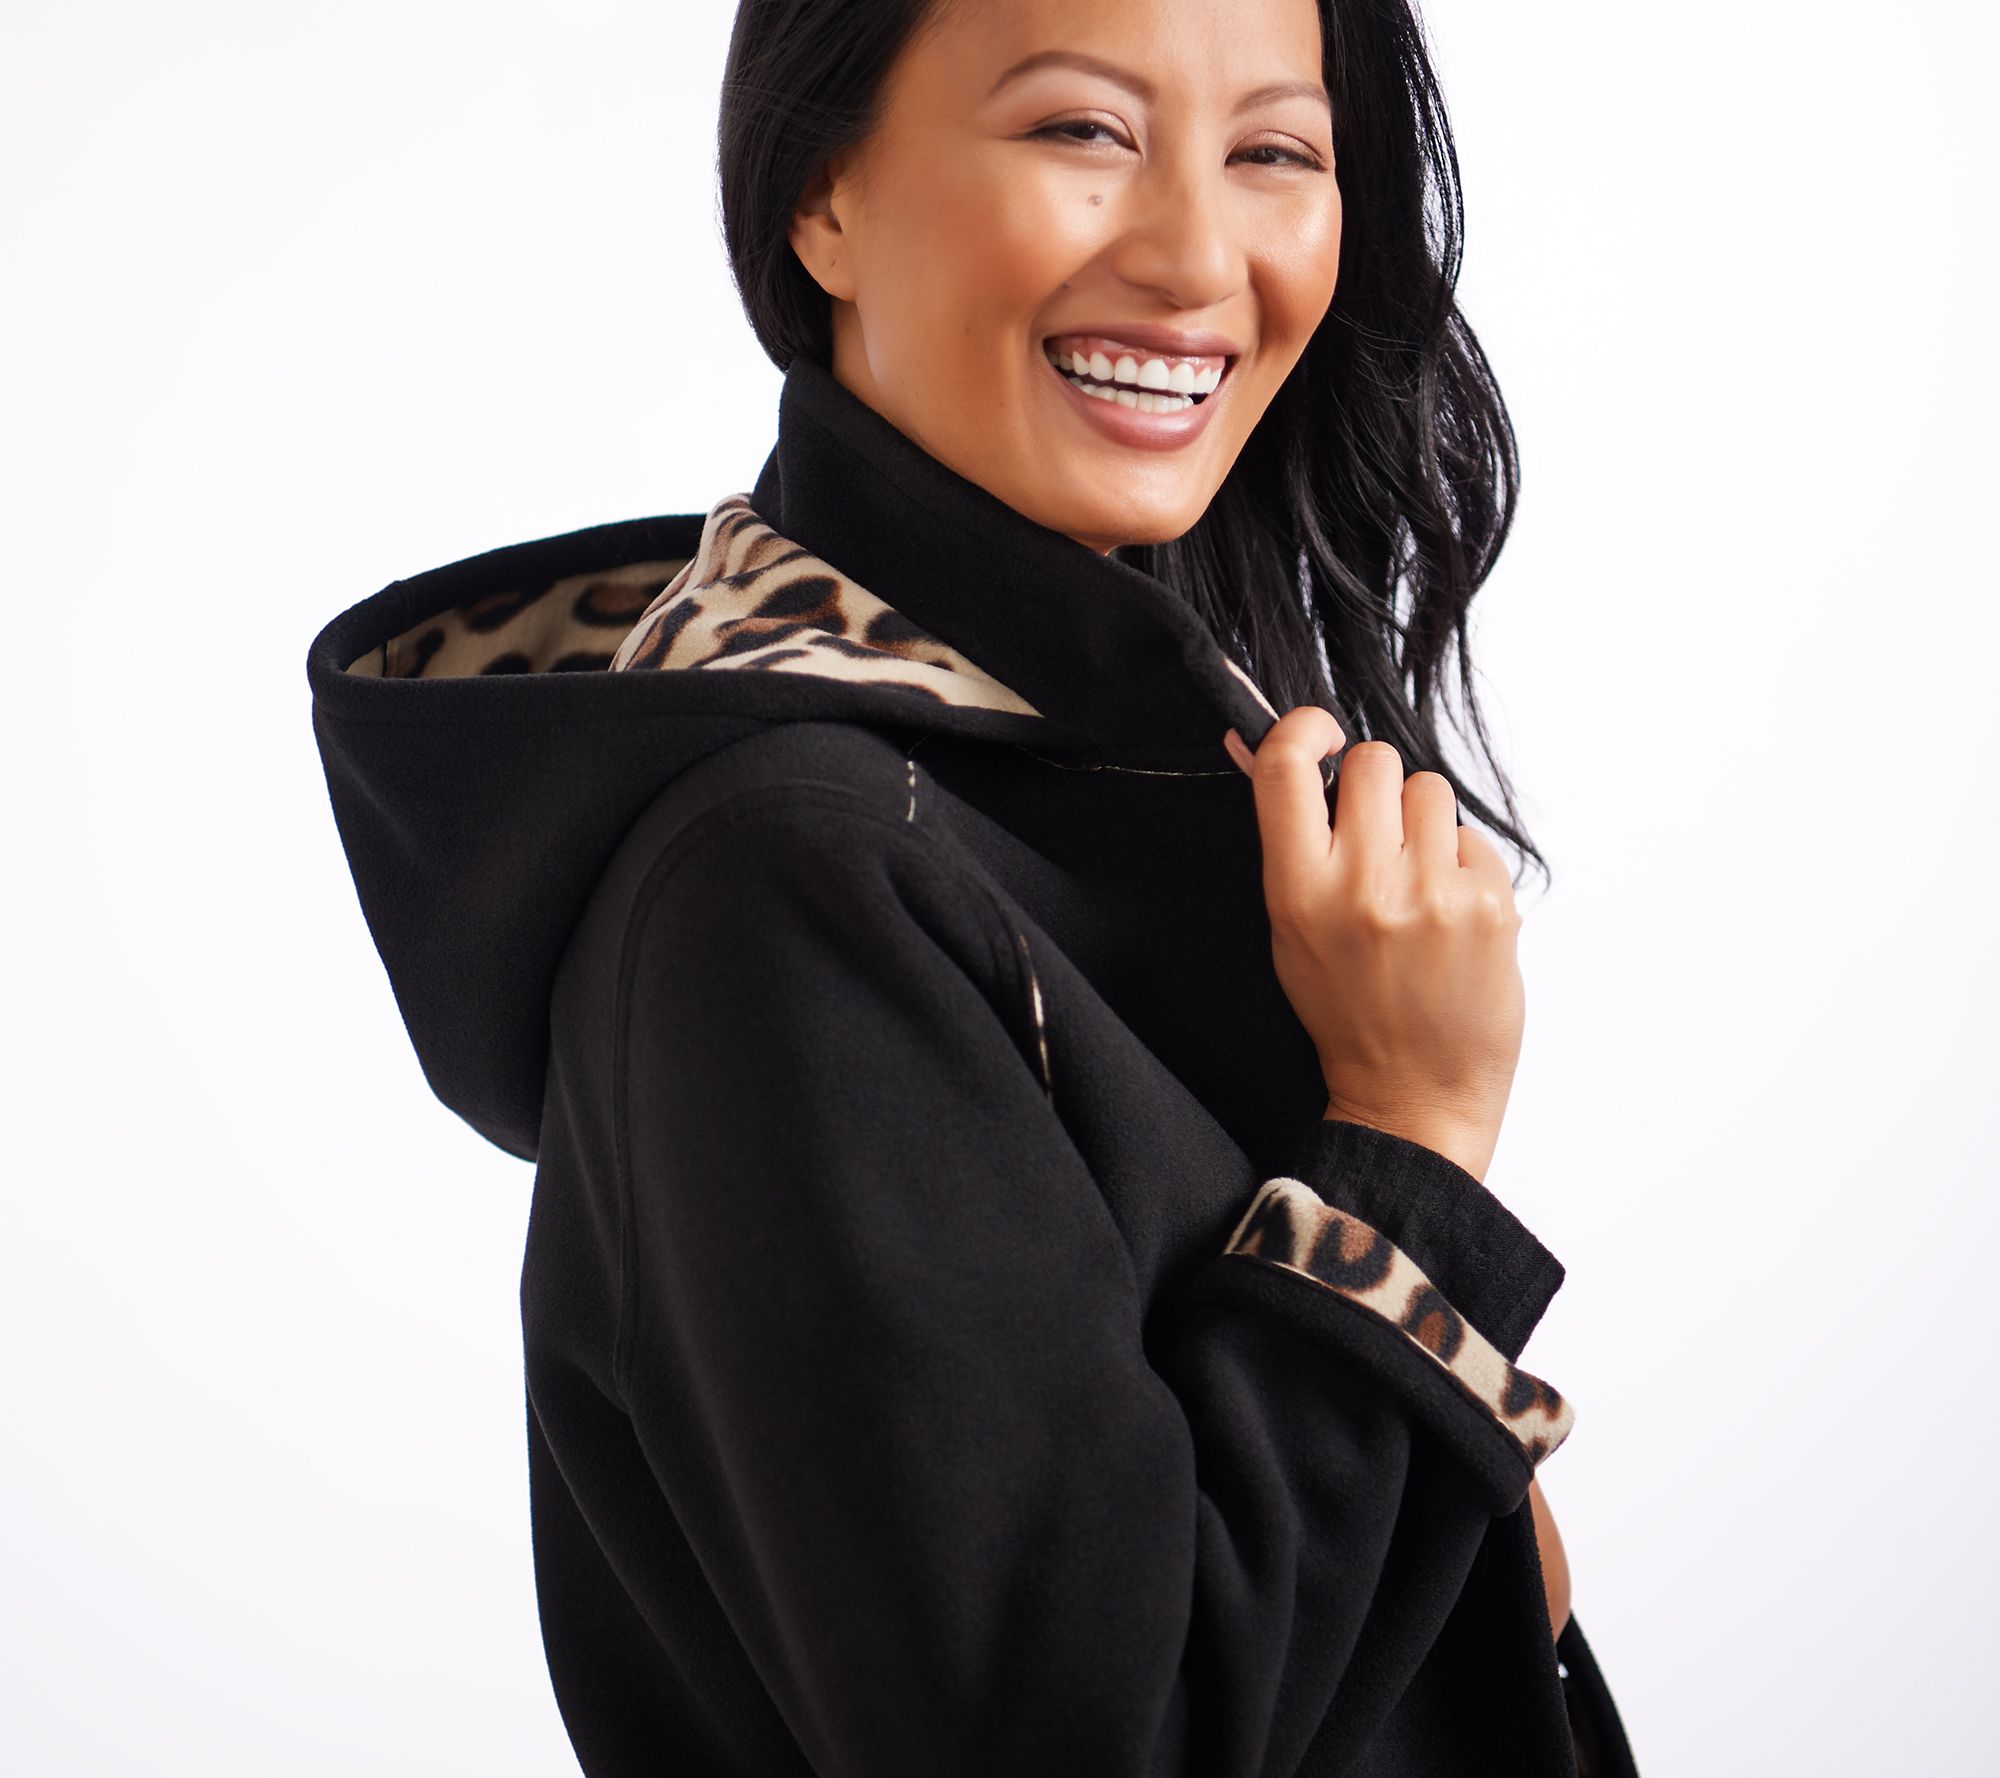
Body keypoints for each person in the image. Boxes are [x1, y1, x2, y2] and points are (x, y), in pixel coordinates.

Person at [306, 0, 1641, 1770]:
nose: (1198, 256)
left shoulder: (1116, 754)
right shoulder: (784, 882)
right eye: (1083, 130)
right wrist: (1407, 1147)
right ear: (822, 195)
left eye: (1273, 151)